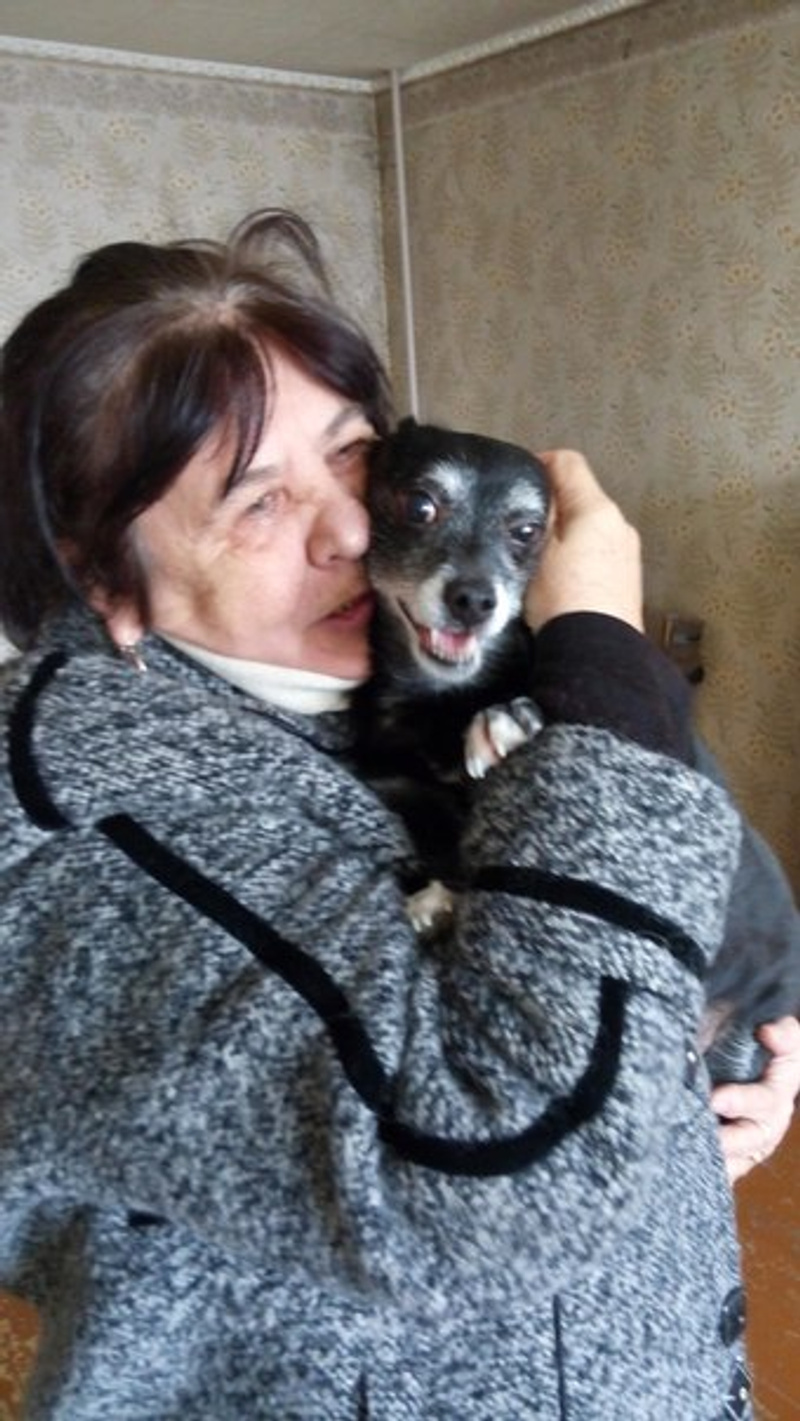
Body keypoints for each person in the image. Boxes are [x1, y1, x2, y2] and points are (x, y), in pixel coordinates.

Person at [0, 209, 796, 1421]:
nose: (351, 529)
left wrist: (704, 1072)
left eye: (354, 456)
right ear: (98, 569)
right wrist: (603, 653)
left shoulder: (380, 684)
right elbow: (498, 1177)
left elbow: (606, 963)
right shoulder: (78, 817)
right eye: (258, 503)